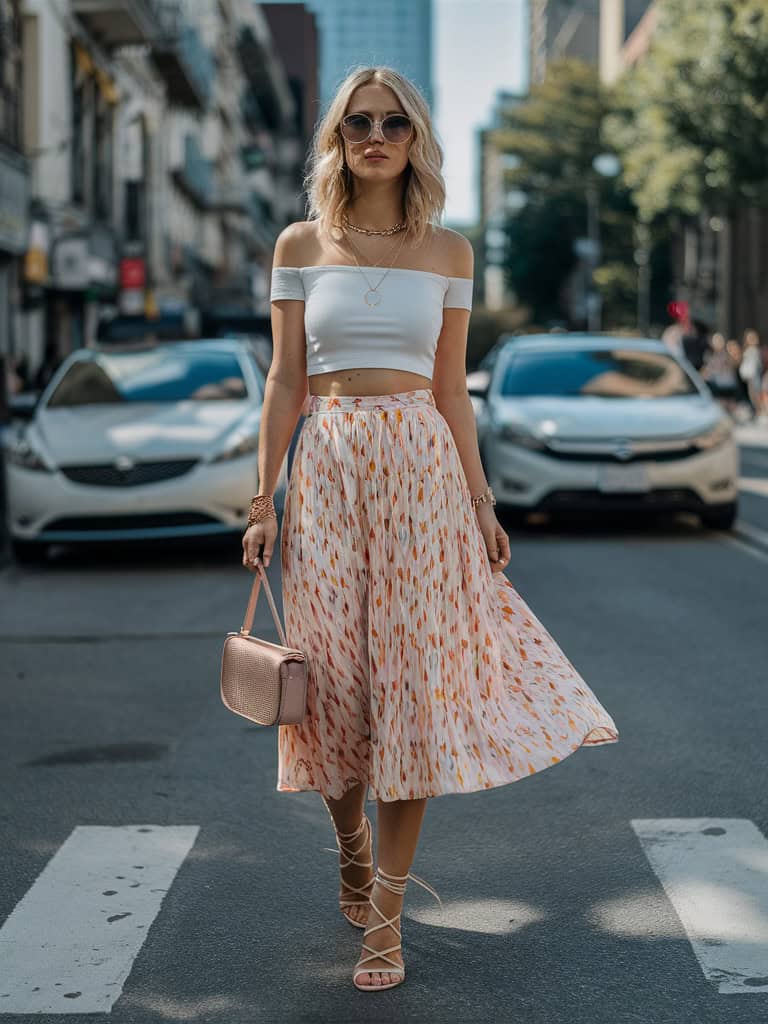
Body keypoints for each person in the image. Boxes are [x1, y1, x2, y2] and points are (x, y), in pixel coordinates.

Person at [241, 65, 619, 993]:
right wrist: (262, 499)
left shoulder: (449, 252)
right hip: (328, 464)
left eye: (394, 123)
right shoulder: (299, 243)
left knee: (409, 690)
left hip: (421, 469)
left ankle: (388, 915)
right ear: (337, 139)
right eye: (359, 123)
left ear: (416, 139)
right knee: (332, 687)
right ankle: (351, 848)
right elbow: (285, 381)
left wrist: (483, 504)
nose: (376, 136)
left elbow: (452, 390)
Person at [739, 328, 763, 418]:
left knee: (756, 394)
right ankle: (757, 411)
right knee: (752, 394)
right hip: (749, 377)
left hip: (754, 376)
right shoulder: (748, 350)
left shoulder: (755, 351)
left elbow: (755, 365)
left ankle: (759, 411)